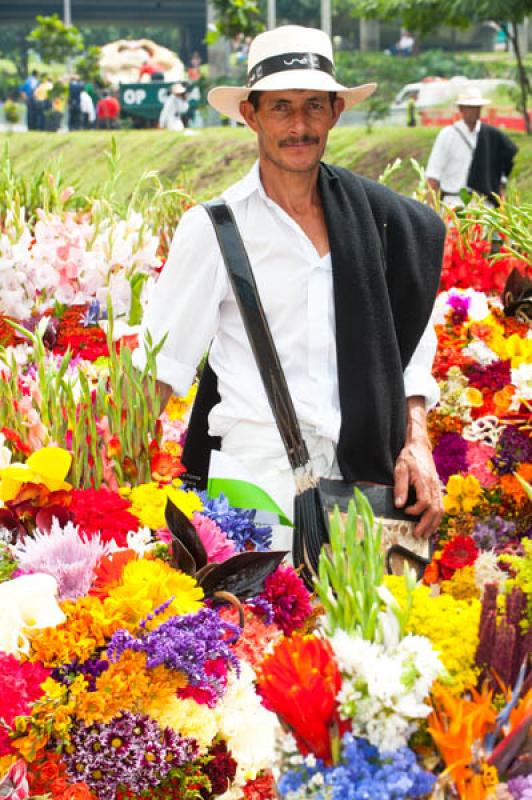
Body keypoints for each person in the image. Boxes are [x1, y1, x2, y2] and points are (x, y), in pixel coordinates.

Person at [134, 25, 446, 551]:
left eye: (313, 107)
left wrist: (417, 439)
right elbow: (158, 371)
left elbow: (411, 344)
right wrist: (110, 496)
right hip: (255, 486)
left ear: (335, 113)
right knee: (263, 627)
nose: (298, 125)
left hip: (366, 481)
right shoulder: (216, 228)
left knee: (366, 633)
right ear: (251, 115)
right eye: (280, 107)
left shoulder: (380, 220)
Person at [426, 86, 518, 207]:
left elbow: (500, 176)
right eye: (470, 107)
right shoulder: (447, 135)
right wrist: (431, 208)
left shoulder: (492, 136)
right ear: (461, 109)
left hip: (484, 204)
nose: (475, 111)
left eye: (477, 107)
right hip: (454, 203)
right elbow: (433, 176)